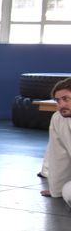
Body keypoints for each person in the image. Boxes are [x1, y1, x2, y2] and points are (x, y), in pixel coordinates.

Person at [41, 78, 71, 206]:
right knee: (67, 190)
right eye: (57, 100)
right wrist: (56, 190)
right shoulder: (58, 119)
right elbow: (59, 156)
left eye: (66, 99)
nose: (61, 105)